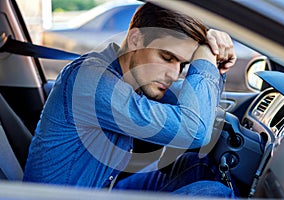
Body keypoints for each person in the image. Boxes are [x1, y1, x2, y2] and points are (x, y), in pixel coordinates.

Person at [23, 2, 237, 198]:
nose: (173, 74)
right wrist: (205, 61)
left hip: (101, 190)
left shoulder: (132, 77)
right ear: (136, 40)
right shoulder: (91, 80)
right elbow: (193, 130)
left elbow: (197, 105)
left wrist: (211, 60)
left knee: (195, 165)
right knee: (213, 193)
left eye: (183, 65)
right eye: (166, 57)